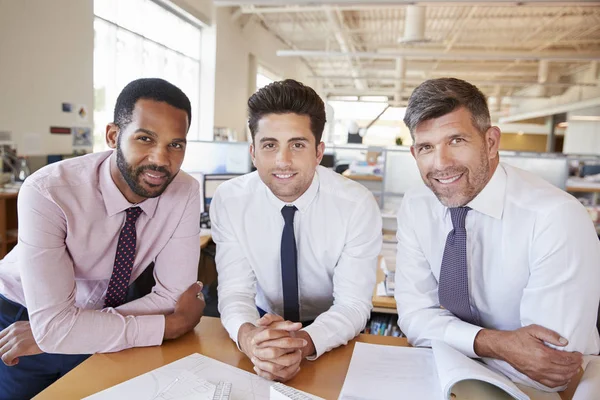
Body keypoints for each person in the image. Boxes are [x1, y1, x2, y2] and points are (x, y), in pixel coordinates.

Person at [0, 78, 205, 399]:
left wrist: (65, 332)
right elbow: (173, 315)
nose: (161, 159)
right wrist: (171, 326)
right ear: (113, 136)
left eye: (175, 144)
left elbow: (171, 298)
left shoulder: (185, 191)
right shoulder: (48, 191)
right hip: (22, 314)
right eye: (145, 138)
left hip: (107, 313)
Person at [394, 77, 600, 391]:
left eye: (456, 141)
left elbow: (546, 365)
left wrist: (445, 335)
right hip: (448, 375)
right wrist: (499, 344)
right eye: (426, 147)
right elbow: (413, 318)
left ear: (491, 142)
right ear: (414, 153)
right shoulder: (417, 205)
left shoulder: (555, 217)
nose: (441, 164)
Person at [210, 79, 382, 382]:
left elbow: (353, 303)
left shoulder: (356, 204)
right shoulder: (230, 200)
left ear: (318, 152)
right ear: (253, 152)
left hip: (331, 333)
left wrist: (298, 345)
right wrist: (251, 339)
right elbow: (236, 291)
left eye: (297, 145)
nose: (283, 161)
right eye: (269, 145)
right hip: (261, 328)